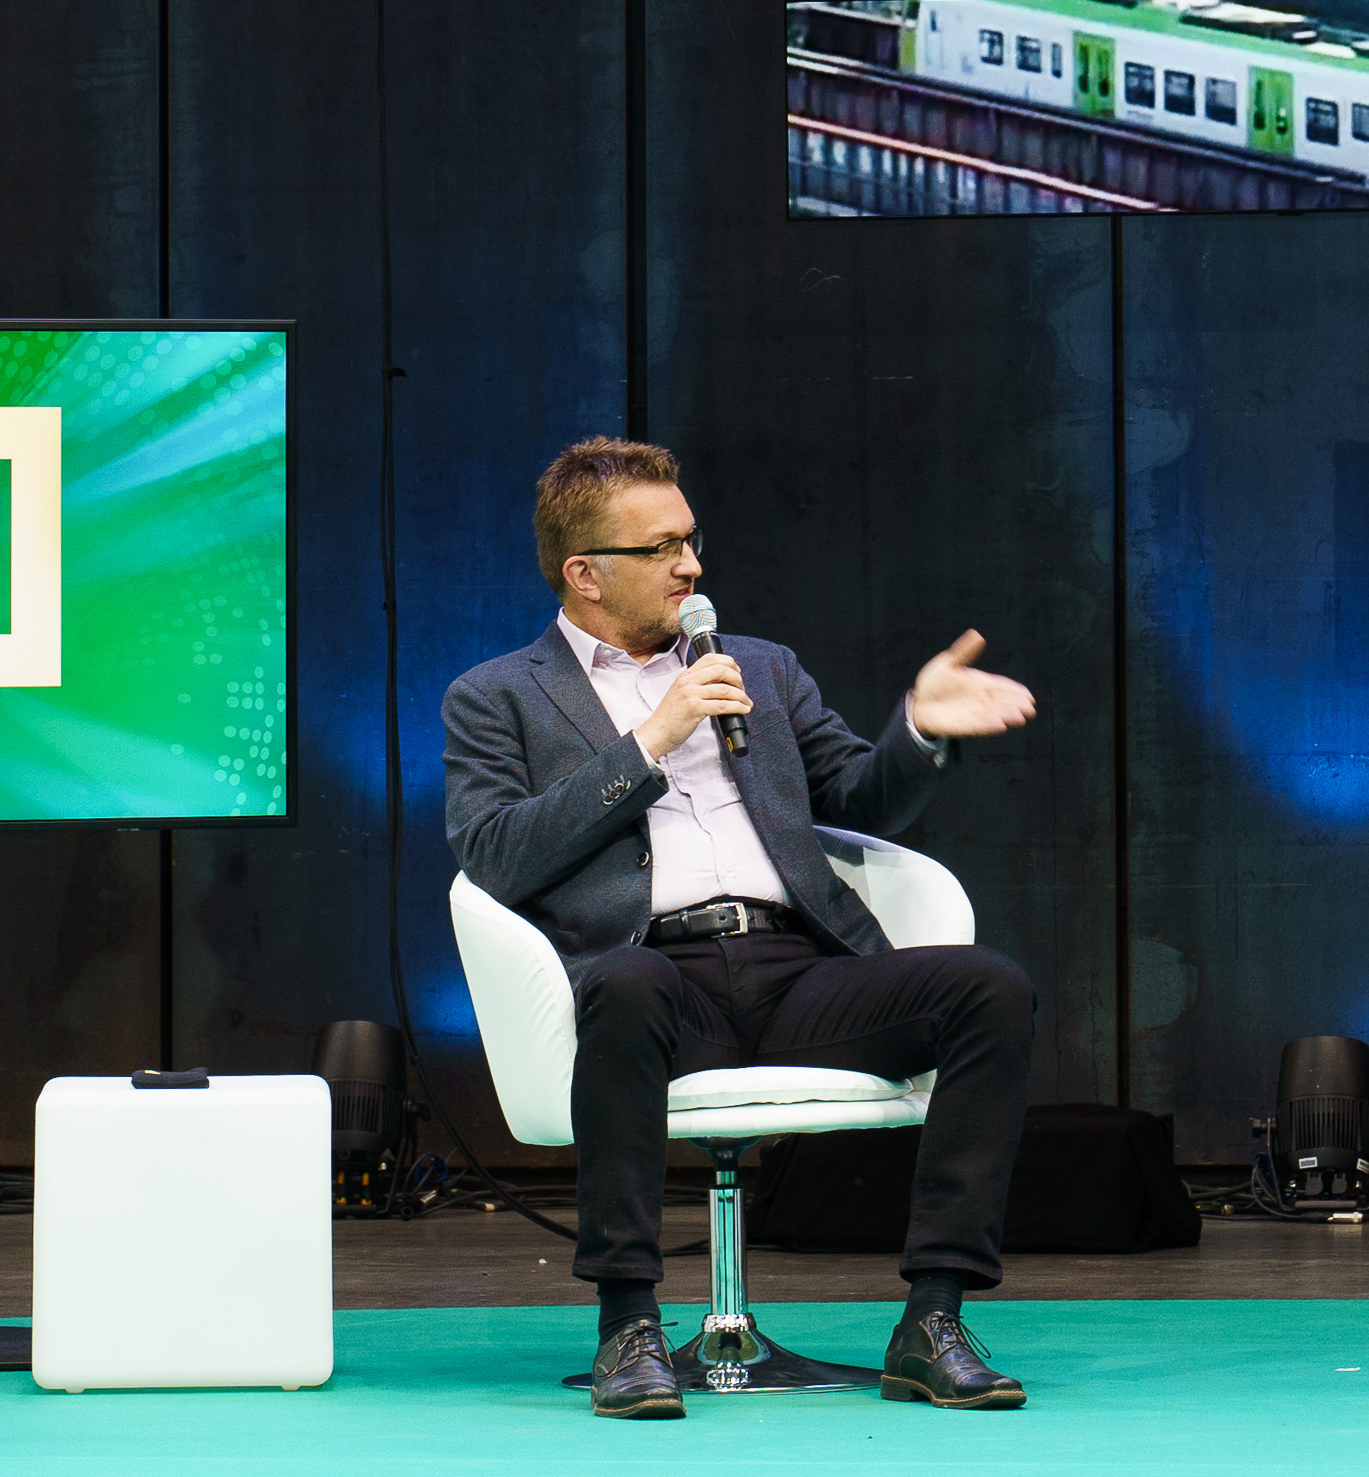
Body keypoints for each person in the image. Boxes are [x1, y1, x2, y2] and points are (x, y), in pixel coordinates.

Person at [443, 438, 1043, 1420]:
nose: (691, 565)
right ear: (585, 574)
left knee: (989, 986)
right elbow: (497, 853)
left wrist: (920, 729)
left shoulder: (759, 666)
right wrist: (650, 740)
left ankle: (932, 1317)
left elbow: (856, 797)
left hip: (796, 968)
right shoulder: (496, 695)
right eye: (662, 548)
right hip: (651, 975)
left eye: (692, 541)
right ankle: (627, 1326)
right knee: (626, 989)